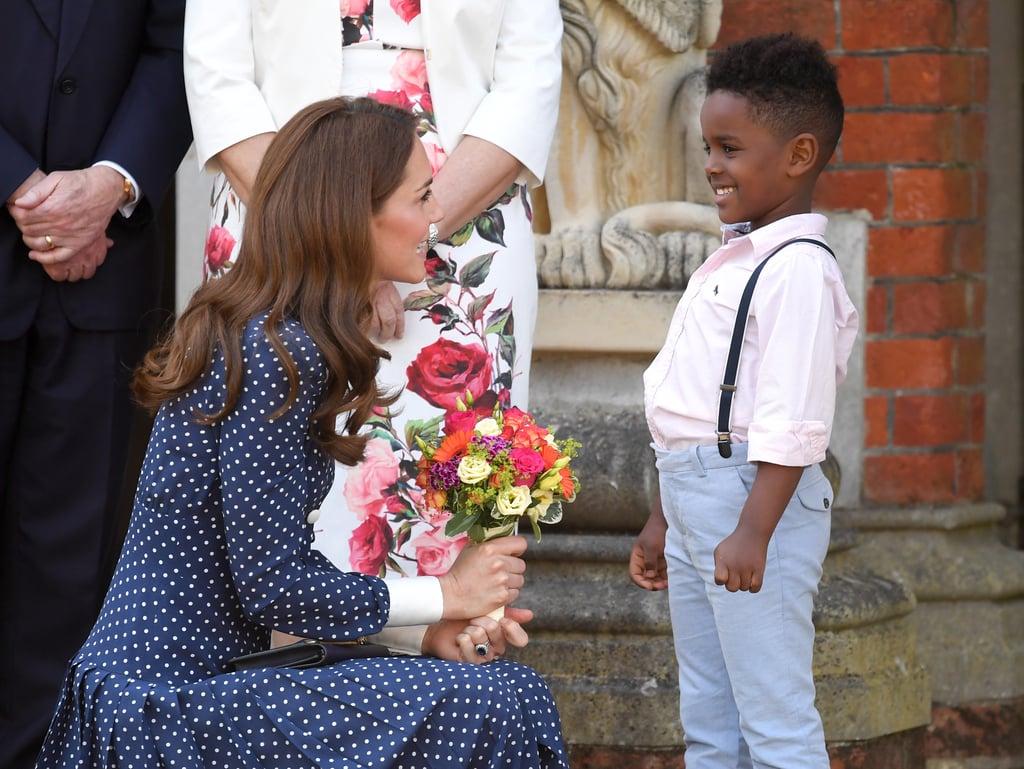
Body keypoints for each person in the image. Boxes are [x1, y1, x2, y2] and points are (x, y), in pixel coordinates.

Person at [34, 96, 569, 769]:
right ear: (355, 216)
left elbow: (269, 577)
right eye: (421, 195)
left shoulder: (271, 335)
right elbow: (273, 585)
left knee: (494, 693)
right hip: (164, 709)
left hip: (197, 688)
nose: (436, 216)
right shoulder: (276, 352)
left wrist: (427, 629)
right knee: (492, 702)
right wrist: (448, 592)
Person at [183, 1, 563, 590]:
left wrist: (414, 231)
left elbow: (528, 80)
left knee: (455, 466)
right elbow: (217, 77)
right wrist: (329, 241)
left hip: (463, 214)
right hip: (278, 203)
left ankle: (443, 661)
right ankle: (280, 659)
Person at [629, 34, 859, 769]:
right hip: (700, 495)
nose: (710, 165)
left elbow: (793, 419)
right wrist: (665, 515)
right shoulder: (738, 256)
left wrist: (753, 530)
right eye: (709, 145)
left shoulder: (796, 271)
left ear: (797, 156)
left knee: (774, 717)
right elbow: (693, 404)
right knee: (710, 715)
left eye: (729, 147)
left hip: (754, 503)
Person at [0, 3, 192, 767]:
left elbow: (180, 42)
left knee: (70, 572)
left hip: (108, 268)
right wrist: (21, 186)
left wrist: (110, 185)